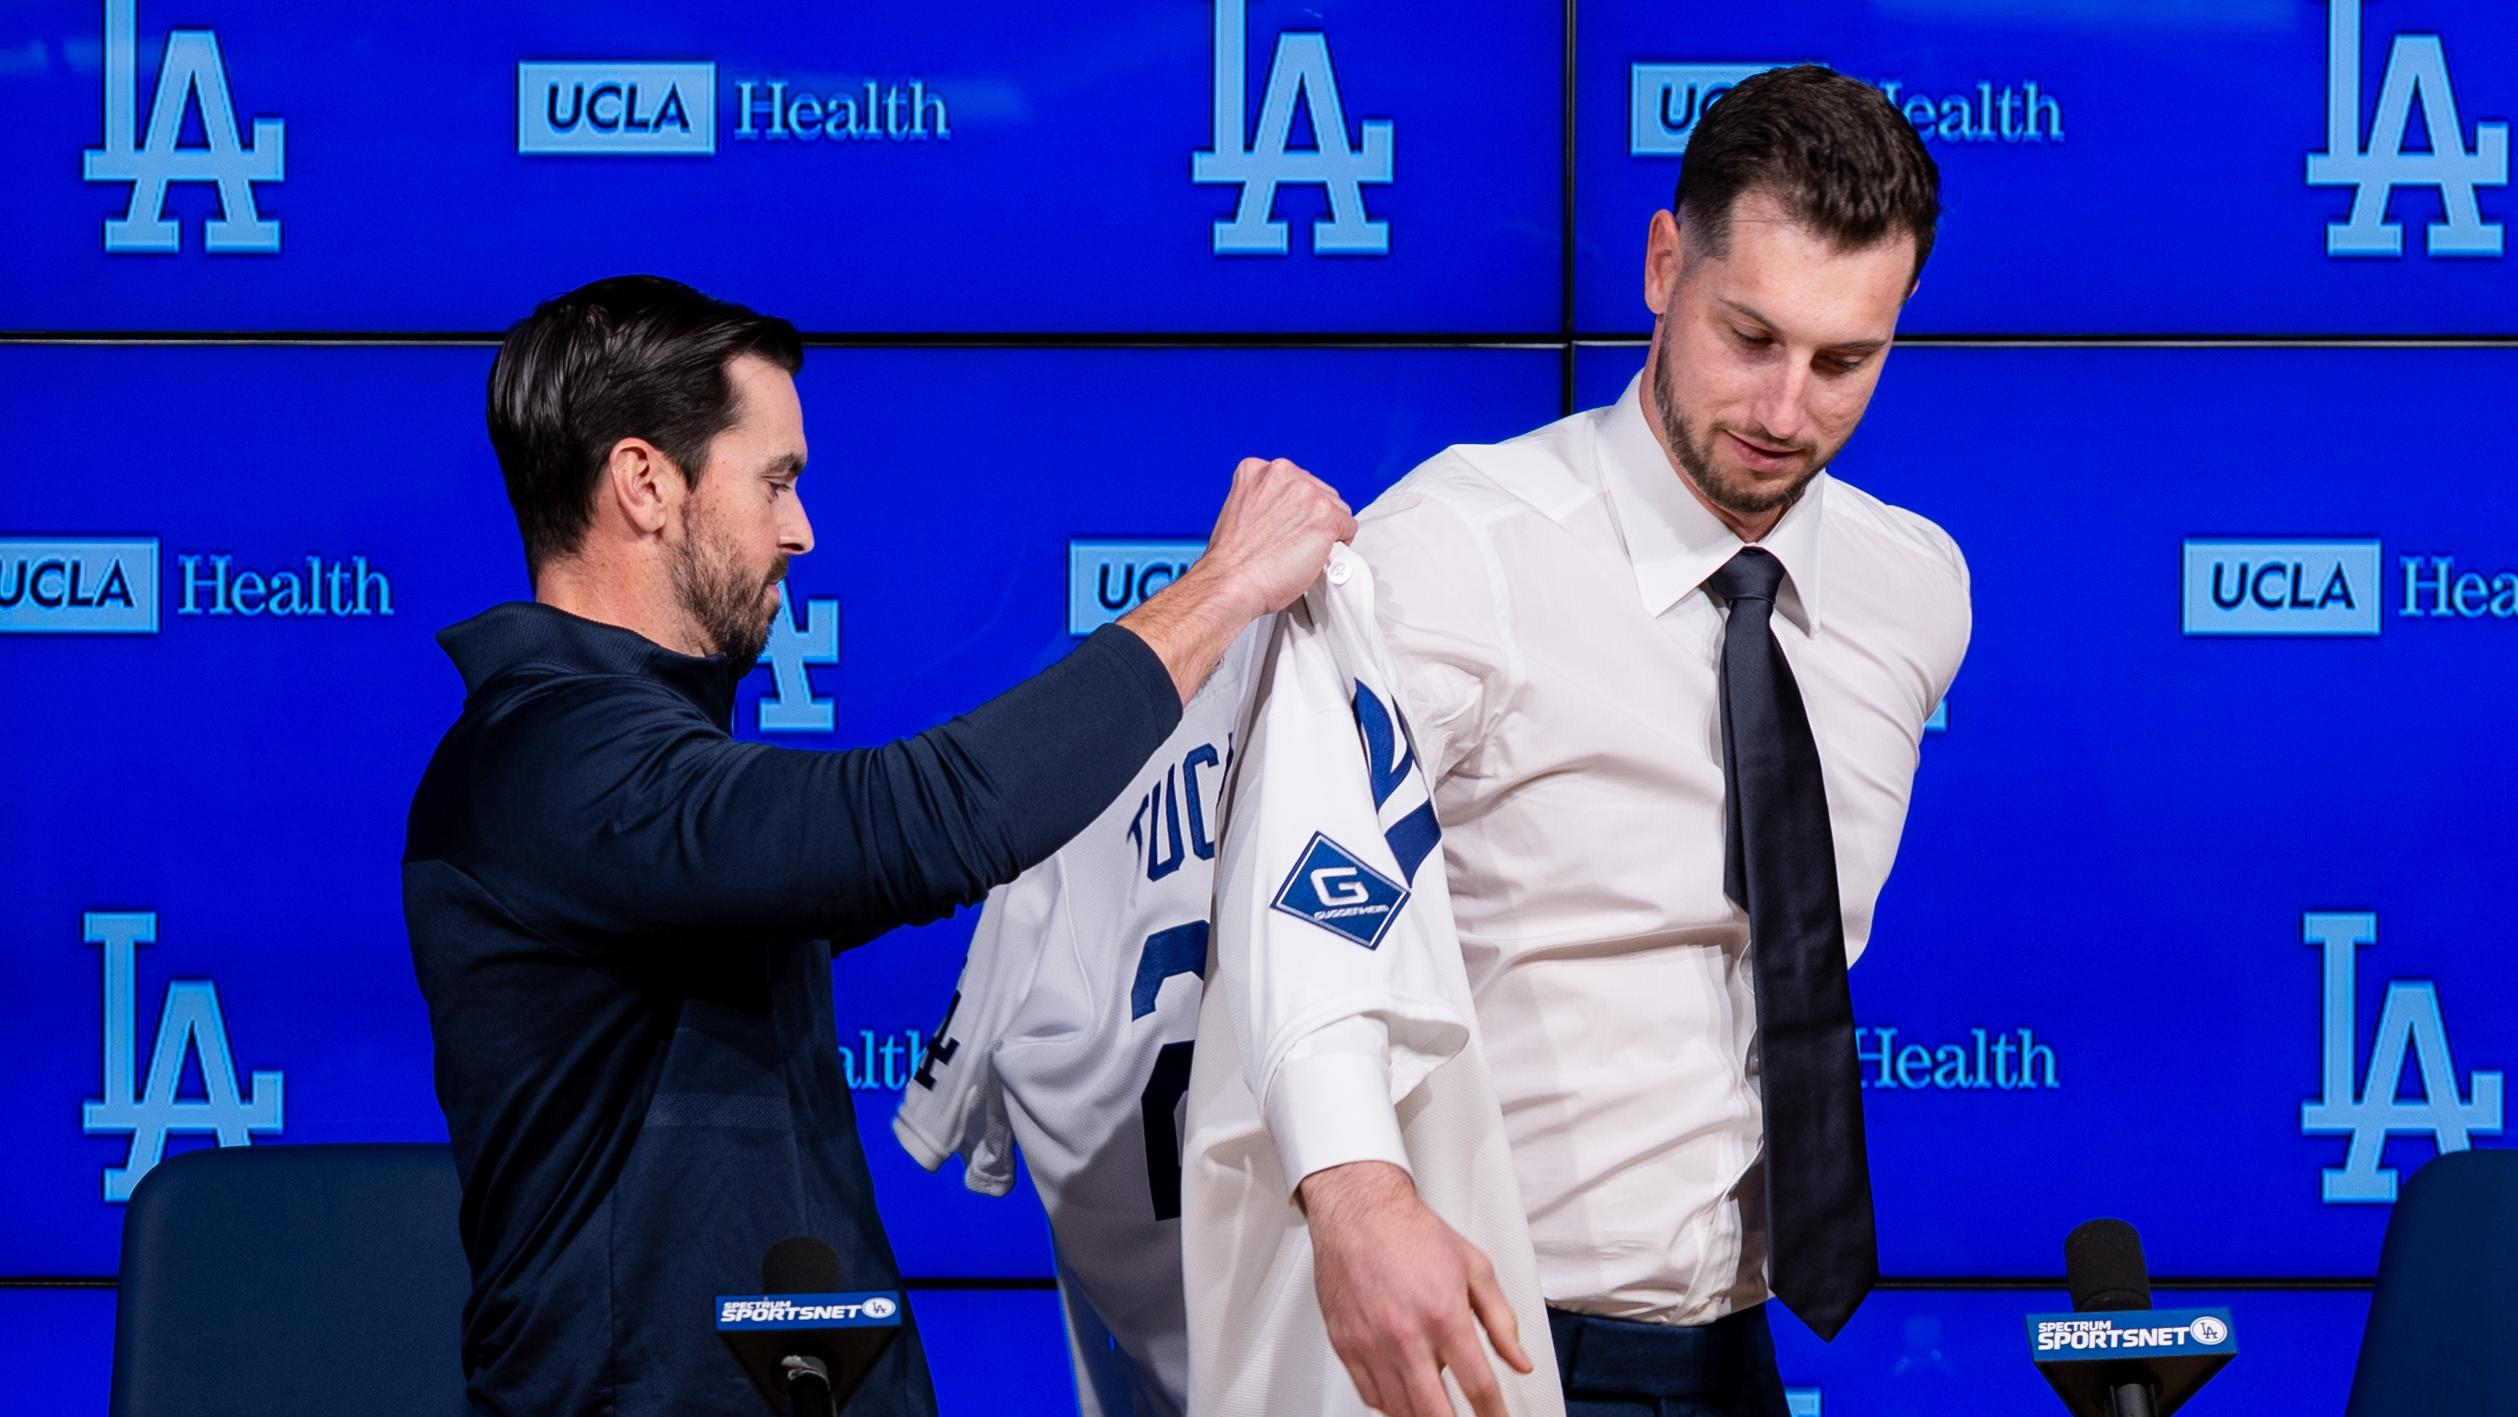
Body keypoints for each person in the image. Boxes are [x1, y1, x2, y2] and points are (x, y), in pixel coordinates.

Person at [401, 274, 1352, 1416]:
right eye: (776, 480)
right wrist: (1222, 591)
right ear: (645, 483)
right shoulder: (549, 763)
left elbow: (920, 830)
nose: (800, 530)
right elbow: (929, 816)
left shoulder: (623, 766)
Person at [1258, 65, 1971, 1416]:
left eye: (1843, 361)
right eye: (1748, 336)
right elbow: (1297, 894)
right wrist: (1353, 1196)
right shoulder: (1455, 553)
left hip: (1740, 1348)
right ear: (1660, 265)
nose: (1782, 410)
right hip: (1484, 1341)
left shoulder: (1913, 591)